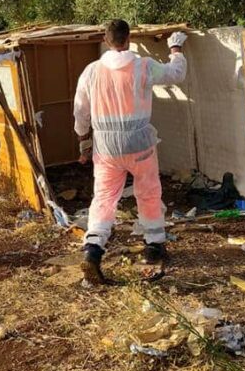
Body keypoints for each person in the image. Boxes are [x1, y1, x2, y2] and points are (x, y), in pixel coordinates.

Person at [73, 19, 188, 283]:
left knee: (104, 197)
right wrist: (176, 48)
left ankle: (92, 250)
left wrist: (84, 141)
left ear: (106, 41)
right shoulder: (143, 66)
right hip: (139, 145)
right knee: (148, 192)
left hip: (106, 147)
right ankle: (154, 246)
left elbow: (80, 112)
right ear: (129, 39)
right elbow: (176, 75)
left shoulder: (91, 71)